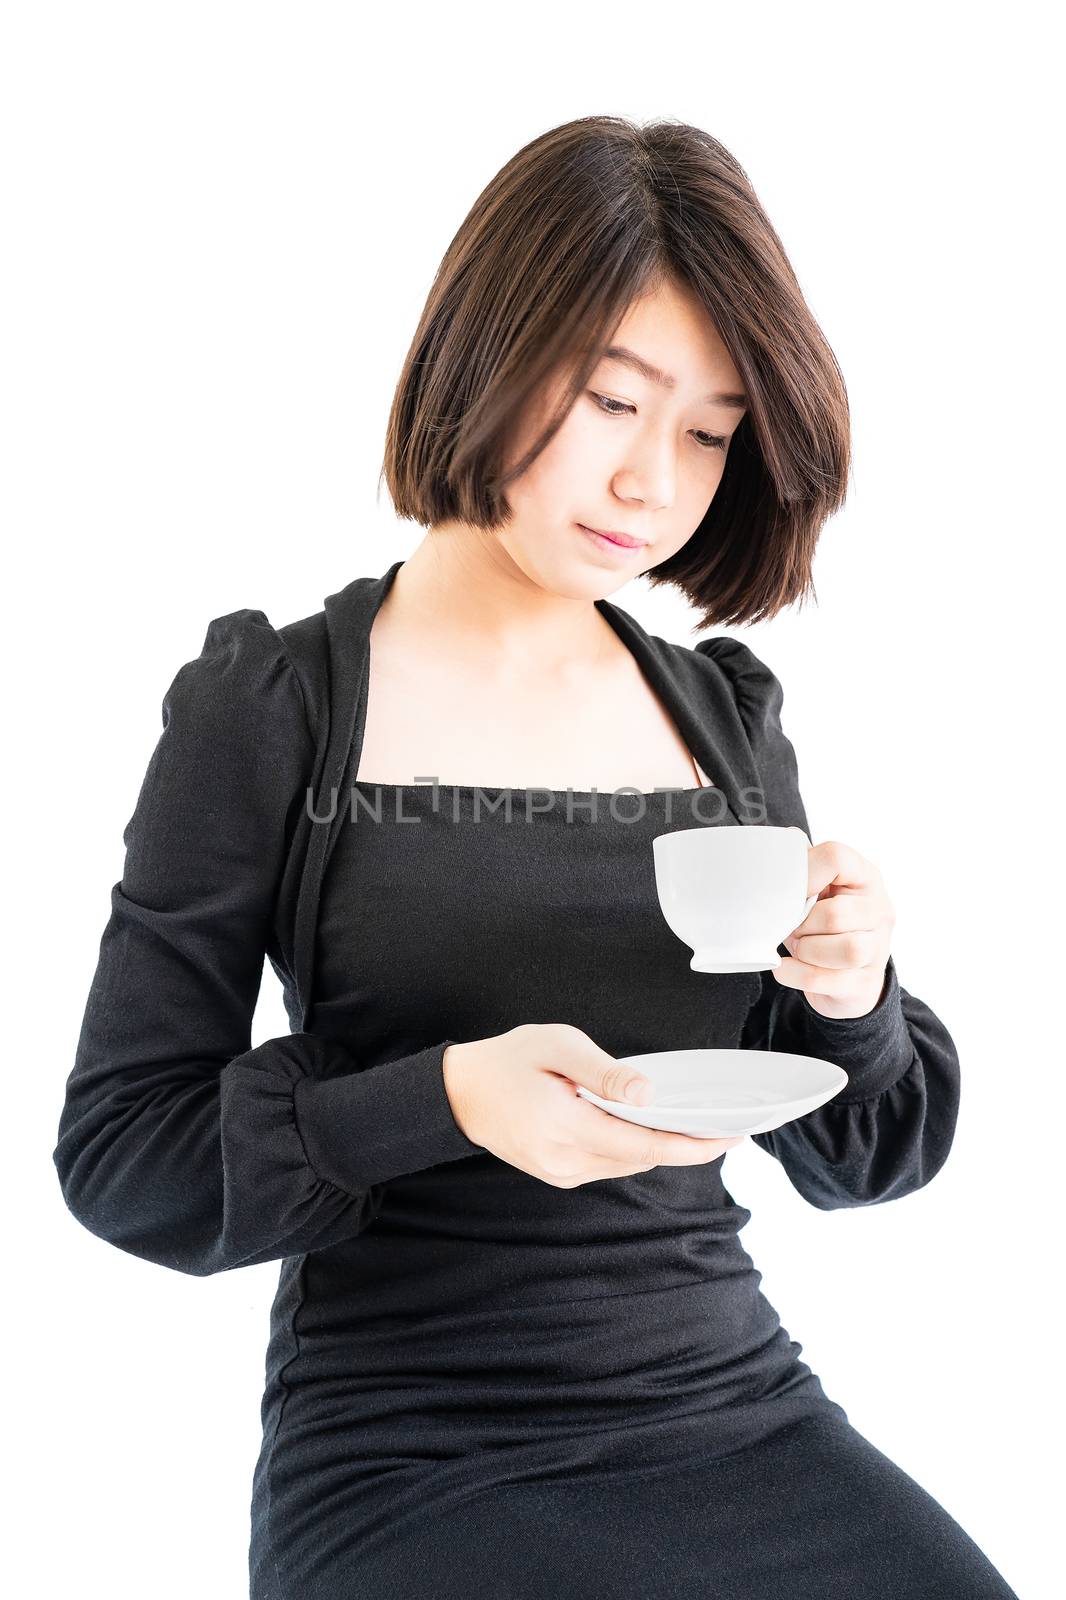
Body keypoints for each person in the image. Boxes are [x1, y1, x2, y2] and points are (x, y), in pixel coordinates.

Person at [53, 116, 1020, 1598]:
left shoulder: (722, 719)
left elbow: (860, 1156)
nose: (651, 482)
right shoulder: (276, 706)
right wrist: (439, 1099)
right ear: (487, 358)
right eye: (607, 402)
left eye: (706, 433)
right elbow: (125, 1156)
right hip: (406, 1451)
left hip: (731, 1407)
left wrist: (852, 991)